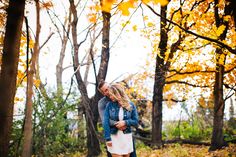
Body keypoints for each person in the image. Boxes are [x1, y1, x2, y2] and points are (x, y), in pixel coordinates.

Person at [98, 80, 137, 157]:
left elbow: (133, 117)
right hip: (113, 134)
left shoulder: (125, 100)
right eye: (105, 91)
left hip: (126, 134)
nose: (108, 91)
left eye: (108, 88)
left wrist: (126, 122)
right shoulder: (103, 103)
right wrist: (119, 124)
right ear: (103, 93)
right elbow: (105, 120)